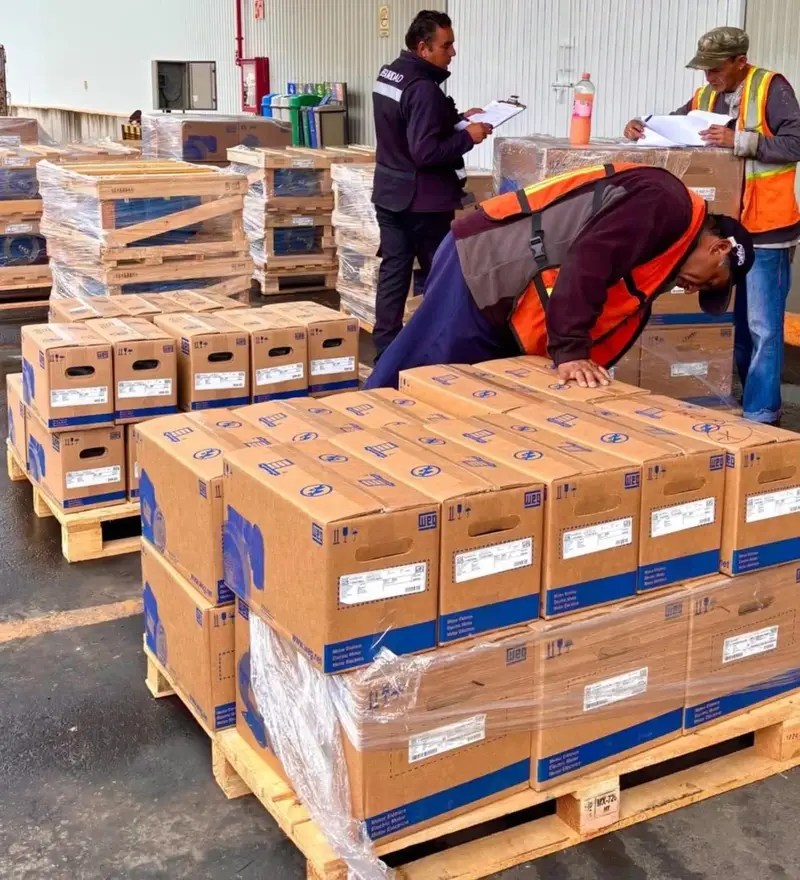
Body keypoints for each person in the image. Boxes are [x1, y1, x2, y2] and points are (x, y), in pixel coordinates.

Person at [364, 164, 754, 390]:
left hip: (505, 286)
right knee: (419, 375)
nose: (691, 288)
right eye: (708, 282)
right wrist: (571, 351)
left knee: (463, 392)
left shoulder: (670, 232)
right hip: (486, 265)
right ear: (719, 249)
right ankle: (357, 436)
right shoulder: (666, 205)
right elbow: (590, 260)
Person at [624, 26, 800, 426]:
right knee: (736, 326)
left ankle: (761, 416)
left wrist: (741, 140)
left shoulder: (770, 87)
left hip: (767, 229)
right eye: (704, 71)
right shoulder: (705, 96)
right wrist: (642, 126)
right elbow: (676, 126)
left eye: (716, 70)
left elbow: (797, 141)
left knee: (763, 328)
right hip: (726, 232)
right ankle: (744, 400)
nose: (708, 79)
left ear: (740, 62)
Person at [371, 9, 491, 358]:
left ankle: (386, 350)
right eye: (446, 45)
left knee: (394, 271)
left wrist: (457, 119)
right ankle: (440, 346)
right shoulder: (423, 88)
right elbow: (425, 151)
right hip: (422, 202)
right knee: (443, 274)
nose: (452, 53)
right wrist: (468, 137)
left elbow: (408, 123)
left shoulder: (391, 73)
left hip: (390, 192)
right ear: (423, 48)